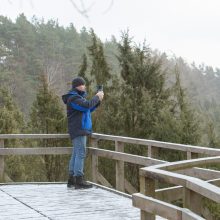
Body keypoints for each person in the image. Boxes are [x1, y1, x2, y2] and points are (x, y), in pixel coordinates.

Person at [62, 77, 104, 189]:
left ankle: (71, 180)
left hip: (78, 129)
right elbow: (86, 106)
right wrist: (97, 97)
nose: (84, 86)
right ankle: (78, 180)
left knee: (76, 153)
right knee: (80, 154)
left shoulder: (76, 98)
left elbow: (87, 109)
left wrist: (98, 101)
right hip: (78, 129)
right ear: (78, 86)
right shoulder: (73, 98)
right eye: (83, 84)